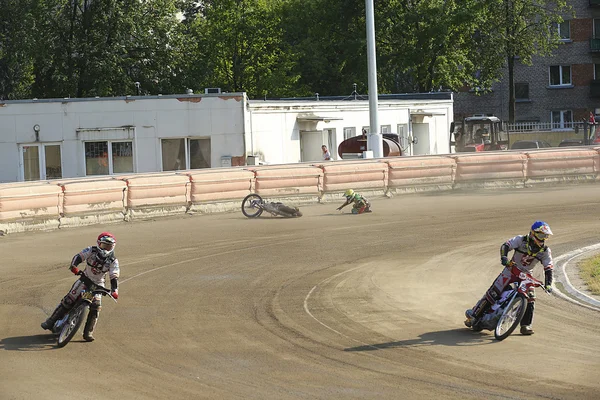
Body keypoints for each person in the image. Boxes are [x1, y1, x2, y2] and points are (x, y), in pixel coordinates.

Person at [464, 221, 554, 335]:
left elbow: (549, 267)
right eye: (541, 235)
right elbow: (505, 245)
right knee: (494, 293)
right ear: (533, 233)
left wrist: (548, 284)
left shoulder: (545, 251)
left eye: (546, 236)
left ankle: (526, 325)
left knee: (531, 297)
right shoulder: (520, 240)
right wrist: (504, 258)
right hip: (510, 270)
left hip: (527, 276)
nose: (543, 239)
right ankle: (474, 315)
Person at [41, 232, 120, 342]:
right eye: (104, 245)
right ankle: (51, 321)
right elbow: (79, 257)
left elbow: (114, 276)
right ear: (98, 244)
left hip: (98, 285)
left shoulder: (113, 261)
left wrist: (114, 291)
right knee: (69, 300)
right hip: (84, 279)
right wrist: (74, 266)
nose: (106, 249)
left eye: (109, 246)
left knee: (96, 307)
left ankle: (88, 332)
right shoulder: (91, 250)